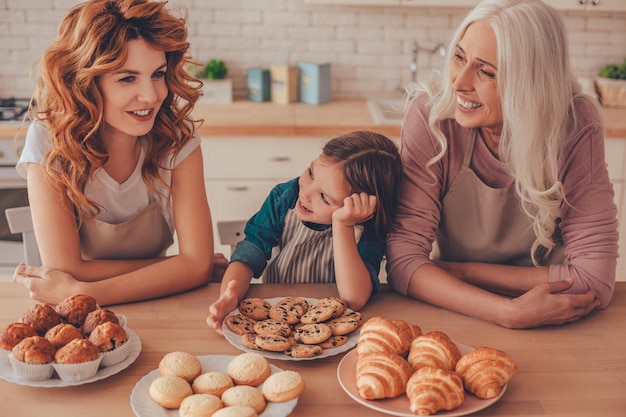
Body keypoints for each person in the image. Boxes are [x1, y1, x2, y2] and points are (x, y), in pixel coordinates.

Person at [386, 0, 618, 329]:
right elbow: (403, 262)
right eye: (459, 57)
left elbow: (595, 281)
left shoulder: (576, 123)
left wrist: (457, 271)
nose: (459, 82)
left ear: (531, 83)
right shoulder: (433, 118)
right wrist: (507, 312)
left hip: (556, 316)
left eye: (486, 71)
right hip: (454, 311)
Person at [12, 0, 226, 306]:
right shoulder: (49, 141)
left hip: (158, 305)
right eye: (127, 78)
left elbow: (196, 265)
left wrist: (85, 290)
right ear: (86, 83)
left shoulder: (177, 141)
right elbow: (66, 269)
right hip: (83, 315)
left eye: (157, 74)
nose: (151, 96)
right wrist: (183, 268)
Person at [206, 131, 402, 331]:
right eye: (310, 173)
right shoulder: (284, 198)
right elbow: (249, 254)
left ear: (362, 208)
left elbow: (354, 298)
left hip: (329, 326)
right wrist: (227, 297)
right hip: (278, 316)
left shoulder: (367, 228)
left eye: (324, 197)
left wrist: (343, 225)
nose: (305, 193)